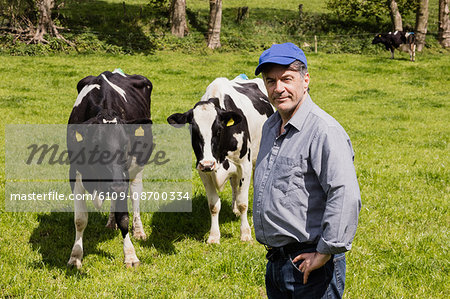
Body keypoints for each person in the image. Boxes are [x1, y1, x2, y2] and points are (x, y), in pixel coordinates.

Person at [253, 42, 361, 298]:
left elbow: (344, 194)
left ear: (306, 80)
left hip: (311, 264)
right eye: (271, 81)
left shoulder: (323, 131)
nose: (278, 89)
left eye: (287, 79)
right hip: (277, 262)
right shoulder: (270, 127)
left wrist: (325, 252)